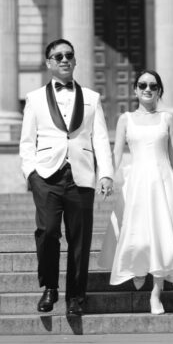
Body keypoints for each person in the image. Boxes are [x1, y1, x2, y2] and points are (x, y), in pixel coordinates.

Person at [18, 38, 114, 319]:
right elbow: (27, 141)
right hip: (47, 175)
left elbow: (100, 139)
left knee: (80, 239)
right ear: (48, 63)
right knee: (47, 232)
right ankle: (49, 287)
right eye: (57, 56)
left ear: (75, 60)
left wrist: (106, 173)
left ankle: (76, 296)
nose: (64, 59)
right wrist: (31, 173)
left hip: (81, 176)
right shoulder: (34, 99)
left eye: (68, 55)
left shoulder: (92, 98)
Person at [100, 68, 173, 315]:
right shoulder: (125, 119)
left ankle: (156, 294)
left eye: (153, 86)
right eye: (142, 85)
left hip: (163, 183)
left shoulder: (167, 118)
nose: (147, 89)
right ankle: (137, 268)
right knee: (136, 234)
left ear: (159, 91)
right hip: (136, 182)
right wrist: (105, 177)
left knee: (163, 237)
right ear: (135, 89)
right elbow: (116, 153)